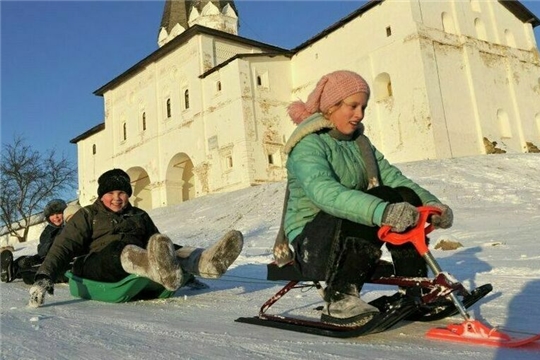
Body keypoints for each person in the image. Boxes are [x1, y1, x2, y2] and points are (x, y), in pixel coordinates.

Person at [277, 70, 453, 326]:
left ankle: (415, 287)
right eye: (352, 106)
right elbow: (325, 194)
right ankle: (340, 297)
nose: (359, 114)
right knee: (380, 198)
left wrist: (432, 206)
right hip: (312, 241)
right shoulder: (308, 145)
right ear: (330, 107)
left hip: (347, 232)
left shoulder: (361, 144)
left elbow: (397, 180)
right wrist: (381, 211)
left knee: (403, 196)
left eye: (363, 107)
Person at [29, 168, 243, 307]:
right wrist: (44, 276)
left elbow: (158, 246)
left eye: (121, 193)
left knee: (170, 247)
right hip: (95, 263)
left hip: (138, 257)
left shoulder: (139, 215)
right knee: (121, 248)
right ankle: (155, 270)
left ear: (128, 195)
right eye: (110, 193)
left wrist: (183, 269)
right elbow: (64, 245)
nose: (116, 198)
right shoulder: (88, 215)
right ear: (101, 194)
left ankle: (206, 262)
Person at [1, 199, 68, 284]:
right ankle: (11, 269)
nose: (56, 217)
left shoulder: (69, 227)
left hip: (59, 258)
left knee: (31, 274)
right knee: (25, 261)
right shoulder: (48, 230)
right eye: (52, 215)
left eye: (58, 213)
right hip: (45, 255)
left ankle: (18, 272)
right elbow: (41, 249)